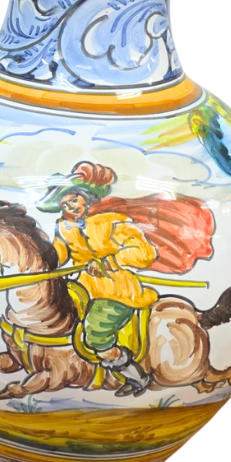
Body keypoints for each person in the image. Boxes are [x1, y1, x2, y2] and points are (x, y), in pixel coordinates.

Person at [37, 163, 158, 396]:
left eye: (74, 200)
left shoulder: (111, 220)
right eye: (65, 204)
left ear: (85, 197)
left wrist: (110, 262)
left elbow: (145, 252)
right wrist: (41, 256)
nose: (70, 207)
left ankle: (137, 377)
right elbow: (60, 253)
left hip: (117, 290)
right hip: (83, 289)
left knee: (96, 334)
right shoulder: (64, 226)